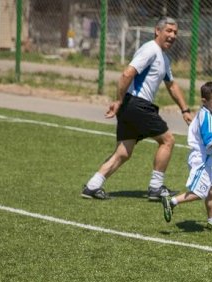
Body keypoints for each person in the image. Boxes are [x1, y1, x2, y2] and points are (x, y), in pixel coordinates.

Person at [81, 17, 192, 201]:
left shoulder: (163, 57)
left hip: (131, 105)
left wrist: (185, 110)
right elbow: (128, 73)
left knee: (123, 153)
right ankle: (156, 188)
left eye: (175, 33)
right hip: (137, 104)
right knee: (168, 140)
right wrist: (118, 100)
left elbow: (172, 85)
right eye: (169, 31)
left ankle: (92, 186)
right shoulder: (150, 49)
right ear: (158, 31)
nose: (173, 35)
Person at [161, 81, 212, 229]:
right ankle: (171, 201)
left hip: (206, 159)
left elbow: (210, 123)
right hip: (201, 159)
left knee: (211, 189)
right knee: (200, 193)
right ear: (204, 101)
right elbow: (209, 142)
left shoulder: (205, 112)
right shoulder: (209, 117)